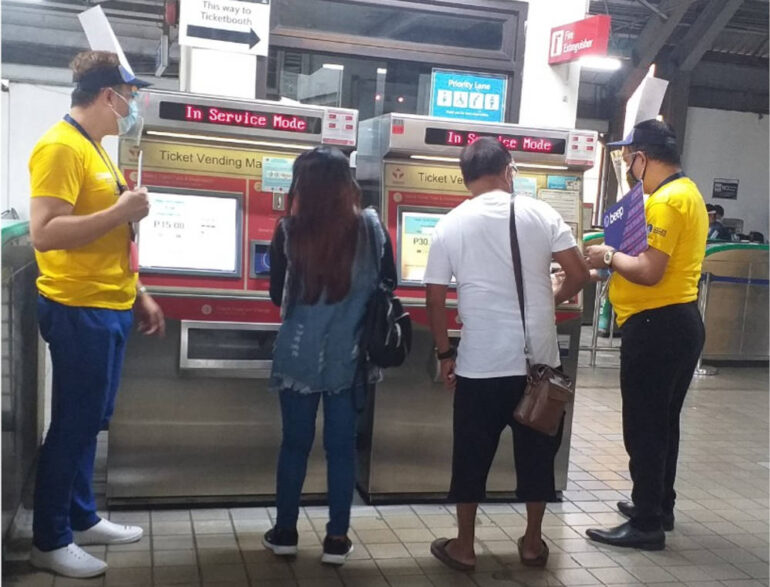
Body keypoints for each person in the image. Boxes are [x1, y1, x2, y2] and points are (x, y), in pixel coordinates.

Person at [27, 51, 165, 578]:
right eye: (130, 96)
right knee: (72, 425)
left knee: (91, 423)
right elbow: (44, 231)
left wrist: (139, 292)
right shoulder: (60, 148)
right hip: (76, 306)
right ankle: (50, 538)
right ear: (109, 95)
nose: (132, 106)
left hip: (108, 303)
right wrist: (122, 210)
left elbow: (109, 233)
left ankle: (81, 515)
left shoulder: (96, 149)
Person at [424, 137, 589, 571]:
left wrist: (445, 354)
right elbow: (579, 274)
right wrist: (552, 298)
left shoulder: (450, 223)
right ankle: (532, 543)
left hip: (480, 364)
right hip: (539, 364)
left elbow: (435, 299)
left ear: (466, 180)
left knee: (471, 455)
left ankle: (464, 545)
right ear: (508, 169)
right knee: (537, 454)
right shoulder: (541, 212)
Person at [262, 147, 396, 566]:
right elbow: (388, 283)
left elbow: (275, 296)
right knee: (341, 449)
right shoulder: (372, 228)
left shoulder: (287, 231)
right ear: (346, 184)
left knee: (295, 445)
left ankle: (285, 532)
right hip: (350, 357)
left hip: (298, 355)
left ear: (302, 186)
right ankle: (336, 539)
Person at [584, 119, 708, 550]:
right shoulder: (686, 192)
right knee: (663, 422)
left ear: (642, 157)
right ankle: (658, 505)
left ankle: (647, 523)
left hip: (657, 325)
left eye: (628, 156)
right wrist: (607, 266)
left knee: (645, 426)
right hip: (677, 323)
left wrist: (609, 254)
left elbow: (650, 272)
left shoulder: (666, 201)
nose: (626, 164)